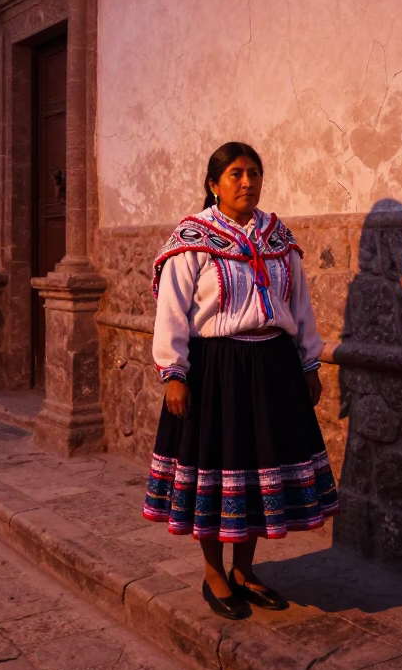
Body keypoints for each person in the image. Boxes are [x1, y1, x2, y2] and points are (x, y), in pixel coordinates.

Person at [142, 141, 339, 618]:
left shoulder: (277, 236)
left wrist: (309, 363)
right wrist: (175, 373)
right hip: (216, 371)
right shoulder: (193, 238)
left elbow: (300, 306)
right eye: (235, 174)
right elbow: (172, 311)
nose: (247, 182)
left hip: (273, 368)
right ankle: (214, 574)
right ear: (214, 184)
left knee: (257, 474)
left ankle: (246, 572)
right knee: (217, 472)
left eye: (253, 173)